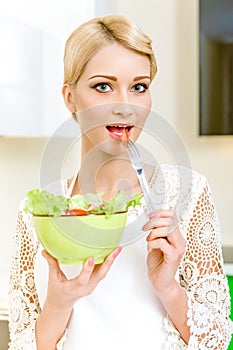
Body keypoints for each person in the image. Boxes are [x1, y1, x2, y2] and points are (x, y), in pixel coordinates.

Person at [8, 14, 233, 350]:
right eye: (103, 86)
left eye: (138, 87)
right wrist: (59, 304)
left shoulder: (187, 193)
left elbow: (216, 342)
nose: (125, 106)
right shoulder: (38, 215)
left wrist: (168, 286)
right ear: (70, 97)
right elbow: (24, 343)